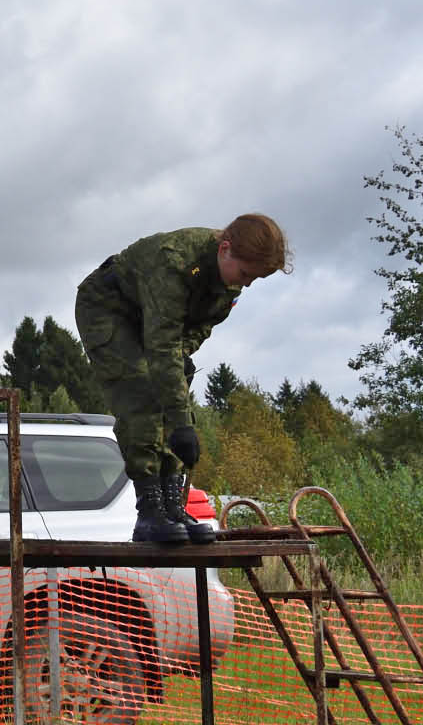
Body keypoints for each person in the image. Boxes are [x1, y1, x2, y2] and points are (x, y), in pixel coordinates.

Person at [74, 215, 290, 544]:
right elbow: (162, 348)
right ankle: (149, 512)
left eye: (254, 279)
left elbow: (200, 327)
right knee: (142, 388)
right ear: (225, 249)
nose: (246, 284)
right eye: (246, 274)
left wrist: (179, 363)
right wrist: (180, 424)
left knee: (175, 380)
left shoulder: (229, 279)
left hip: (154, 324)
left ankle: (172, 506)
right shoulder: (173, 264)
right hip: (108, 309)